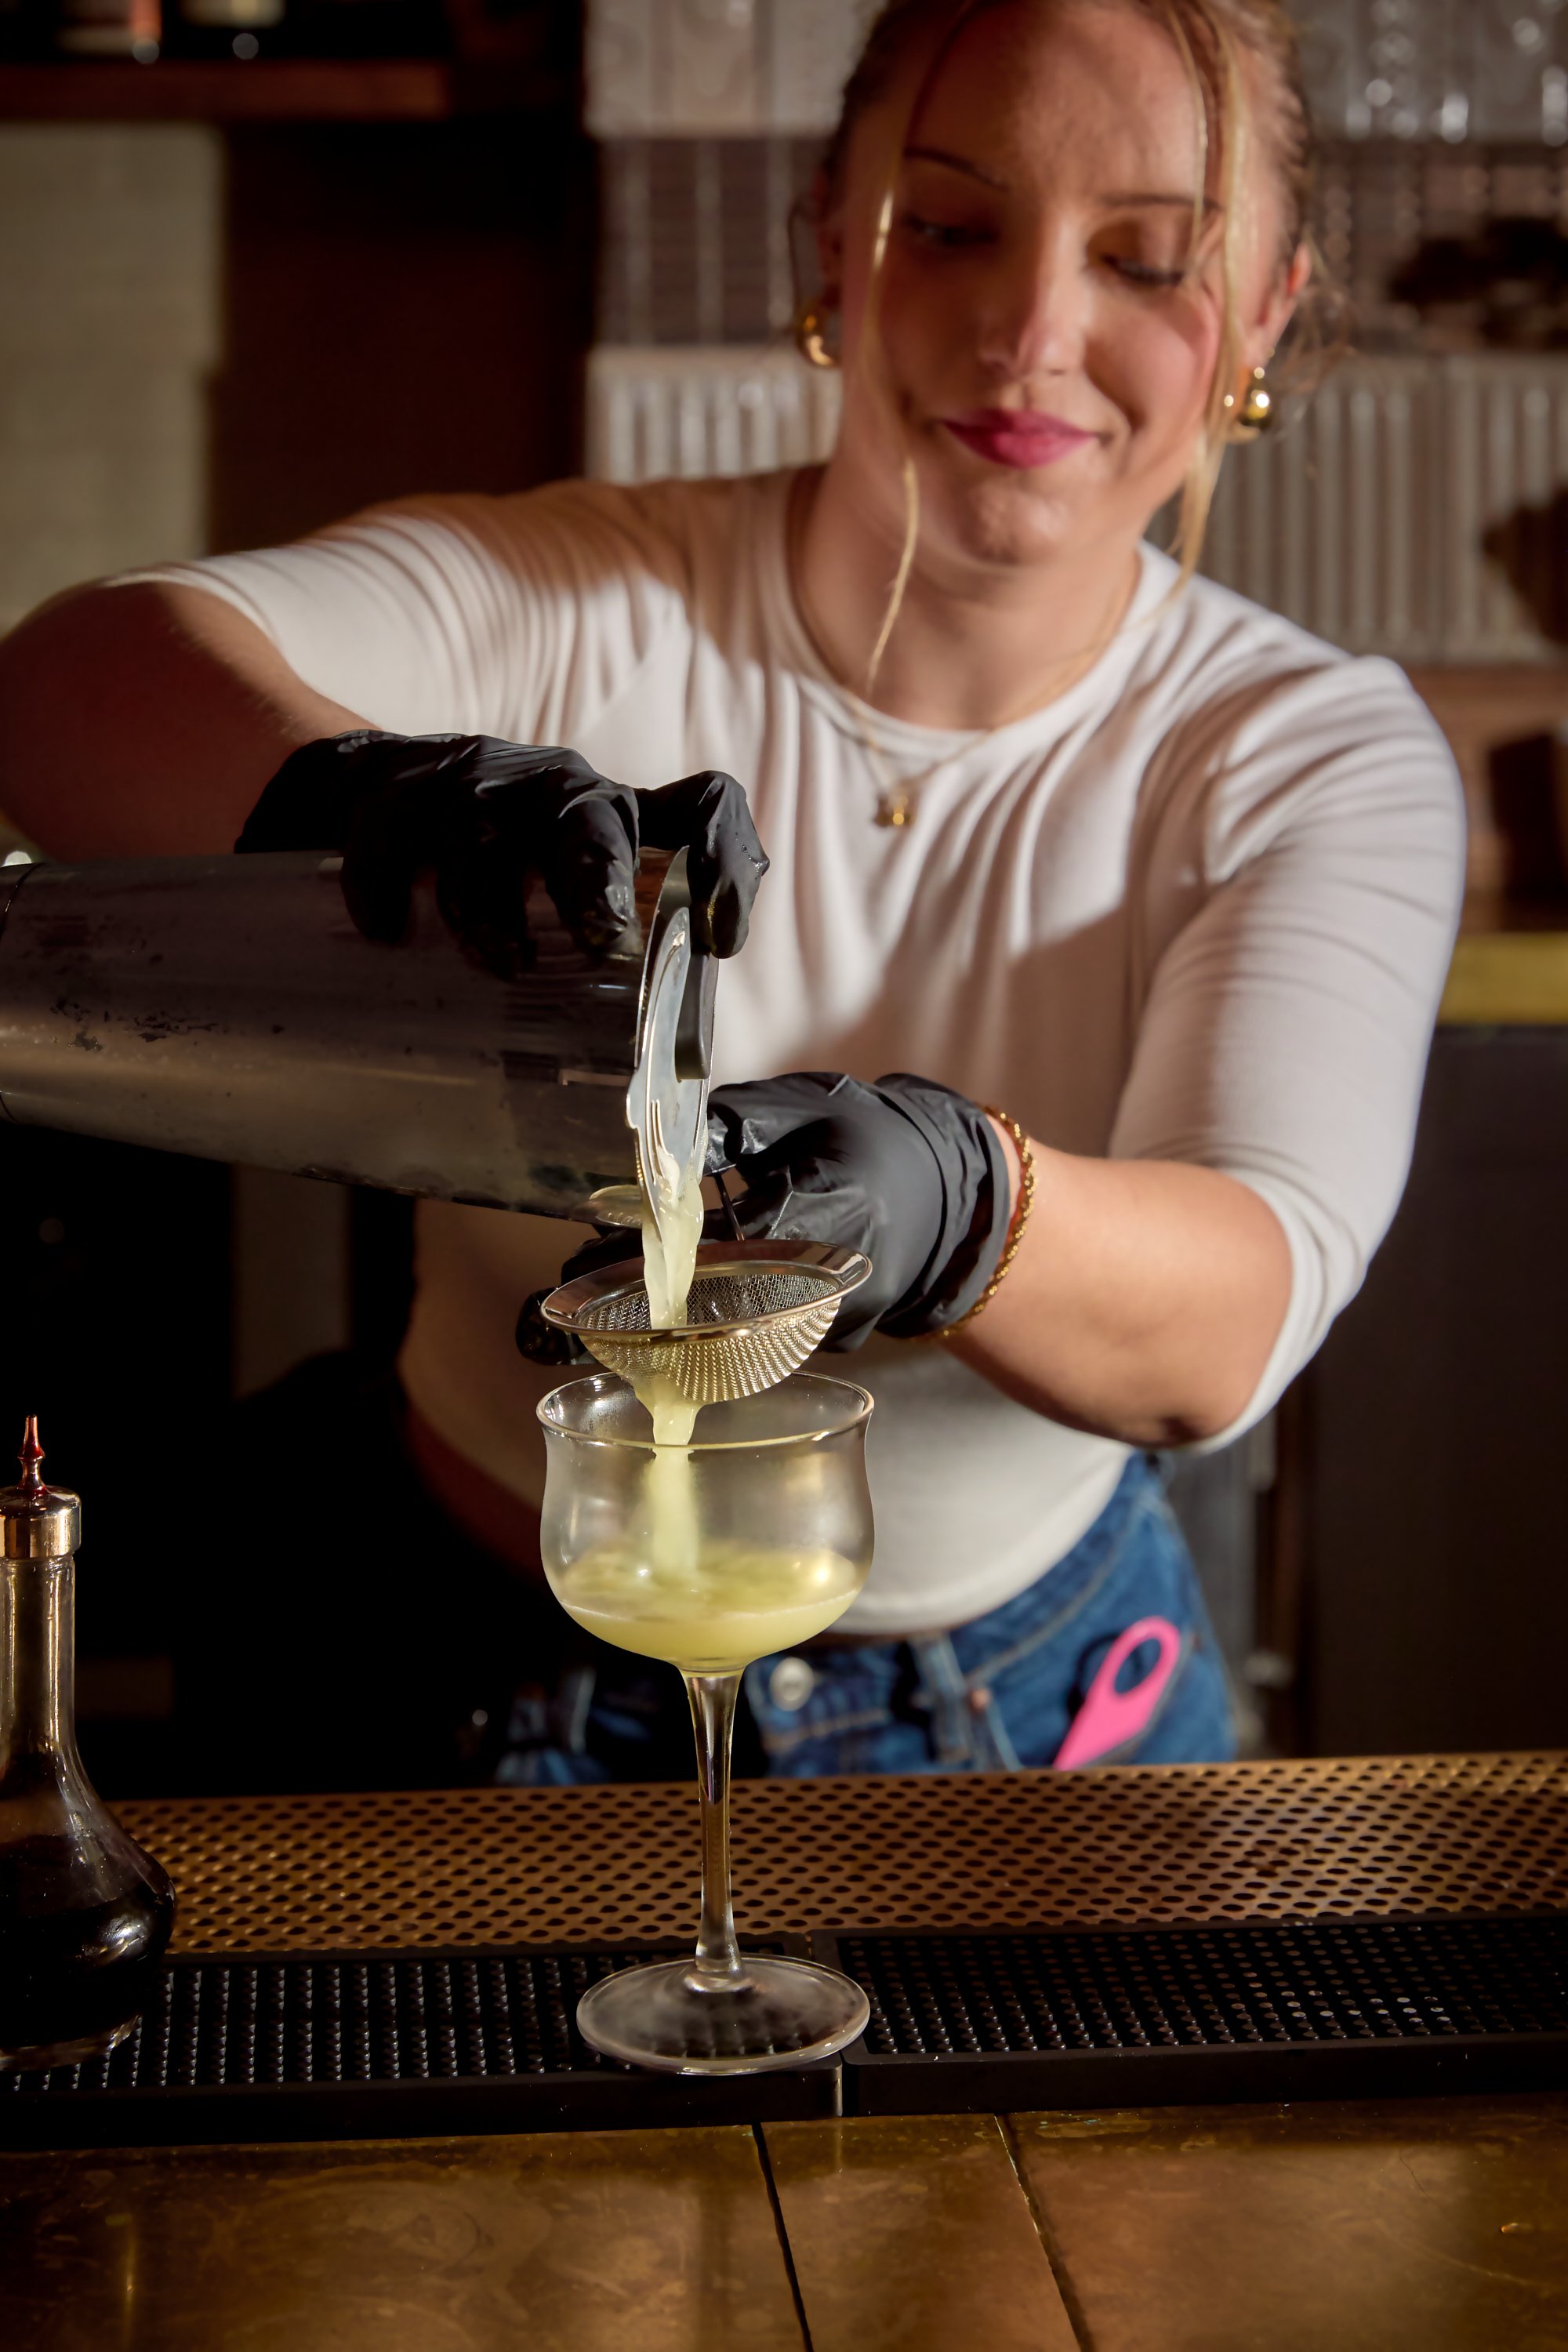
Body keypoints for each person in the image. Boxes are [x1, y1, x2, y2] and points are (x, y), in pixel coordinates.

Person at [0, 0, 1464, 1786]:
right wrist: (358, 797)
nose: (1030, 331)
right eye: (945, 225)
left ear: (1262, 316)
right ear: (823, 246)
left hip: (1015, 1710)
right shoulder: (571, 600)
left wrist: (962, 1203)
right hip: (467, 1650)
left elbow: (1230, 1316)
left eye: (1147, 258)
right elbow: (64, 685)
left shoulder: (1302, 749)